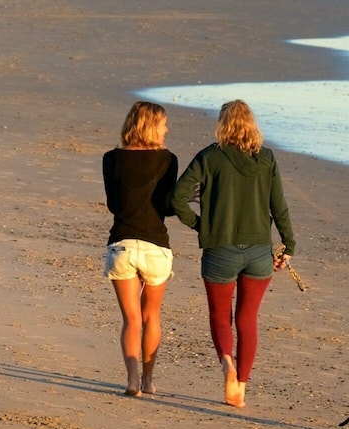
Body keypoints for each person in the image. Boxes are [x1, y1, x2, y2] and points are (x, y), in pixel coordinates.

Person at [171, 99, 296, 407]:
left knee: (219, 315)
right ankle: (241, 386)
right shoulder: (266, 159)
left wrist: (201, 226)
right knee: (248, 318)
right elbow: (278, 205)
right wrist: (289, 245)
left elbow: (177, 198)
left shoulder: (209, 157)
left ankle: (227, 363)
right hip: (258, 252)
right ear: (251, 124)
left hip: (219, 249)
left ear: (222, 124)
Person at [102, 101, 179, 397]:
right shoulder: (167, 159)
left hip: (122, 242)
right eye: (163, 124)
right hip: (155, 246)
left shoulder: (111, 158)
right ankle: (148, 381)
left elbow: (113, 205)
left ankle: (132, 380)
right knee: (151, 317)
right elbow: (167, 207)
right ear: (151, 126)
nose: (166, 129)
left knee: (131, 319)